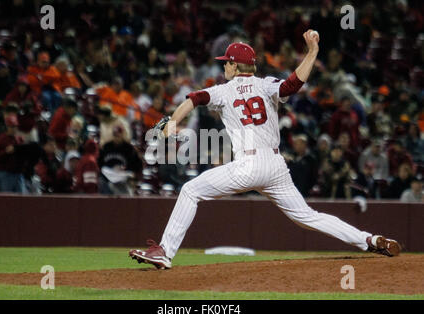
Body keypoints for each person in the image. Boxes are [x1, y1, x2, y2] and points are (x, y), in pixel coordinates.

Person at [129, 31, 401, 270]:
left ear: (235, 65)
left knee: (190, 190)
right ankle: (368, 239)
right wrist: (313, 52)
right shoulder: (266, 83)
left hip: (247, 166)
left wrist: (173, 121)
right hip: (275, 166)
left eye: (227, 63)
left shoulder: (224, 90)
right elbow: (293, 84)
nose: (225, 67)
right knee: (308, 216)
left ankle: (165, 252)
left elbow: (195, 98)